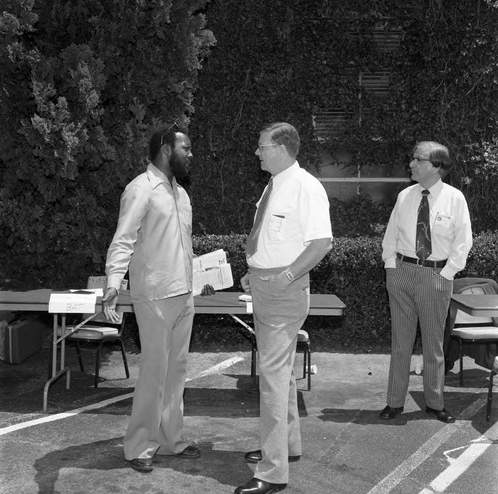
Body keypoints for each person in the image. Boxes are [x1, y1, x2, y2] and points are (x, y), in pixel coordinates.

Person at [101, 124, 214, 473]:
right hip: (154, 296)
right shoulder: (140, 189)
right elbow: (124, 239)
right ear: (166, 148)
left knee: (176, 374)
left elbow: (179, 246)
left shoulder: (181, 194)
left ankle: (170, 441)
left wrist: (202, 278)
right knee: (153, 374)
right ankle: (137, 447)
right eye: (187, 148)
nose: (191, 154)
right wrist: (113, 282)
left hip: (183, 296)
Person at [235, 122, 333, 494]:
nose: (257, 153)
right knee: (284, 374)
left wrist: (287, 275)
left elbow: (321, 243)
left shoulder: (306, 187)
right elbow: (271, 238)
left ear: (281, 147)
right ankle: (286, 447)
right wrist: (253, 271)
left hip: (282, 289)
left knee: (272, 378)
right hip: (266, 284)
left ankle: (272, 472)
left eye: (261, 147)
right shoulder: (275, 185)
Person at [379, 140, 472, 424]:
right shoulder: (405, 195)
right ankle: (394, 403)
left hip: (436, 276)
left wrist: (446, 273)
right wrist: (390, 266)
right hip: (402, 273)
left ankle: (434, 403)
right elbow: (391, 233)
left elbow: (463, 241)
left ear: (436, 166)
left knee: (433, 345)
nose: (411, 164)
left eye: (418, 160)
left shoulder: (454, 198)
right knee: (400, 343)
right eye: (413, 159)